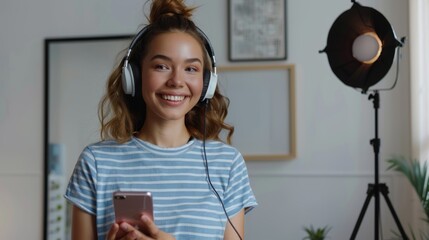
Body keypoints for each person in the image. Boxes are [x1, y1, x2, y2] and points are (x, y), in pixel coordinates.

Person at [64, 0, 257, 239]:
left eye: (191, 69)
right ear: (134, 76)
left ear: (207, 84)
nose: (176, 81)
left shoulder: (228, 165)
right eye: (162, 66)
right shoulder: (96, 162)